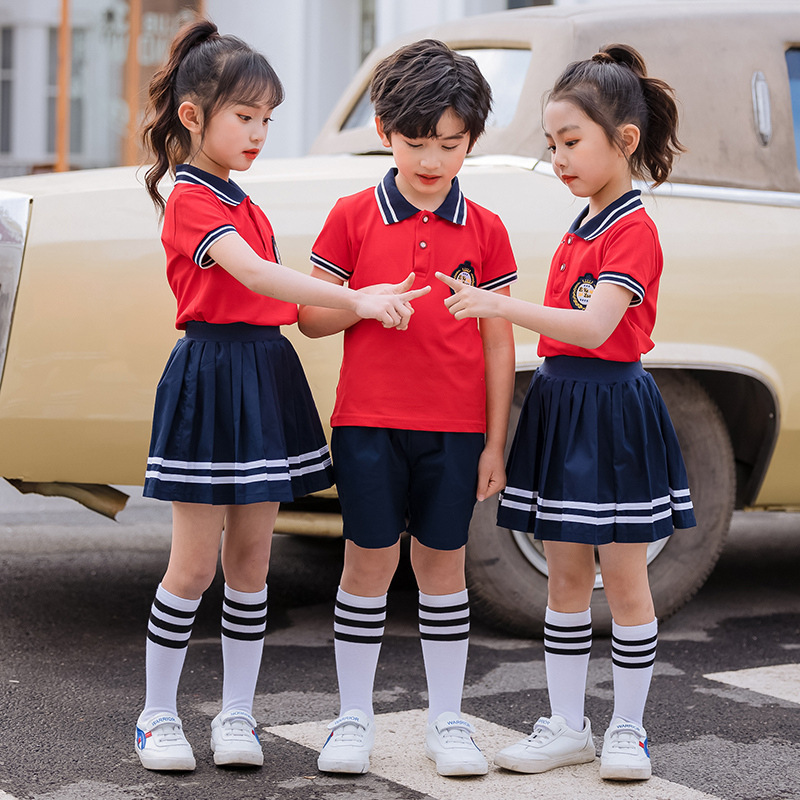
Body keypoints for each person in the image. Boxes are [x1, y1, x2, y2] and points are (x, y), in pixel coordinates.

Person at [135, 19, 429, 773]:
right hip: (212, 376)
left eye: (268, 118)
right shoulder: (191, 199)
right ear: (194, 116)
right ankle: (156, 716)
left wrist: (367, 302)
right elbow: (258, 279)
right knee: (193, 566)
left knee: (252, 565)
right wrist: (359, 298)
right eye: (245, 116)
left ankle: (238, 716)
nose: (260, 131)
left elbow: (289, 303)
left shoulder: (242, 198)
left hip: (264, 373)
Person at [437, 44, 696, 782]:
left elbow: (594, 328)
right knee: (563, 580)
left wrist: (494, 302)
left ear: (625, 140)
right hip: (562, 401)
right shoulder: (586, 222)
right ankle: (567, 725)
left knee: (625, 579)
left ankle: (629, 731)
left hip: (612, 410)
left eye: (572, 142)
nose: (559, 158)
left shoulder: (632, 230)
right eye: (551, 145)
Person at [298, 39, 517, 778]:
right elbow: (310, 315)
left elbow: (497, 344)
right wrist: (362, 305)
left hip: (456, 431)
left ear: (471, 143)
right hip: (367, 422)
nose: (431, 159)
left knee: (442, 565)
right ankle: (351, 719)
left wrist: (494, 443)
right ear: (385, 131)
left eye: (450, 144)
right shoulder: (353, 214)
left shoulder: (486, 230)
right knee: (368, 562)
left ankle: (448, 721)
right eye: (415, 142)